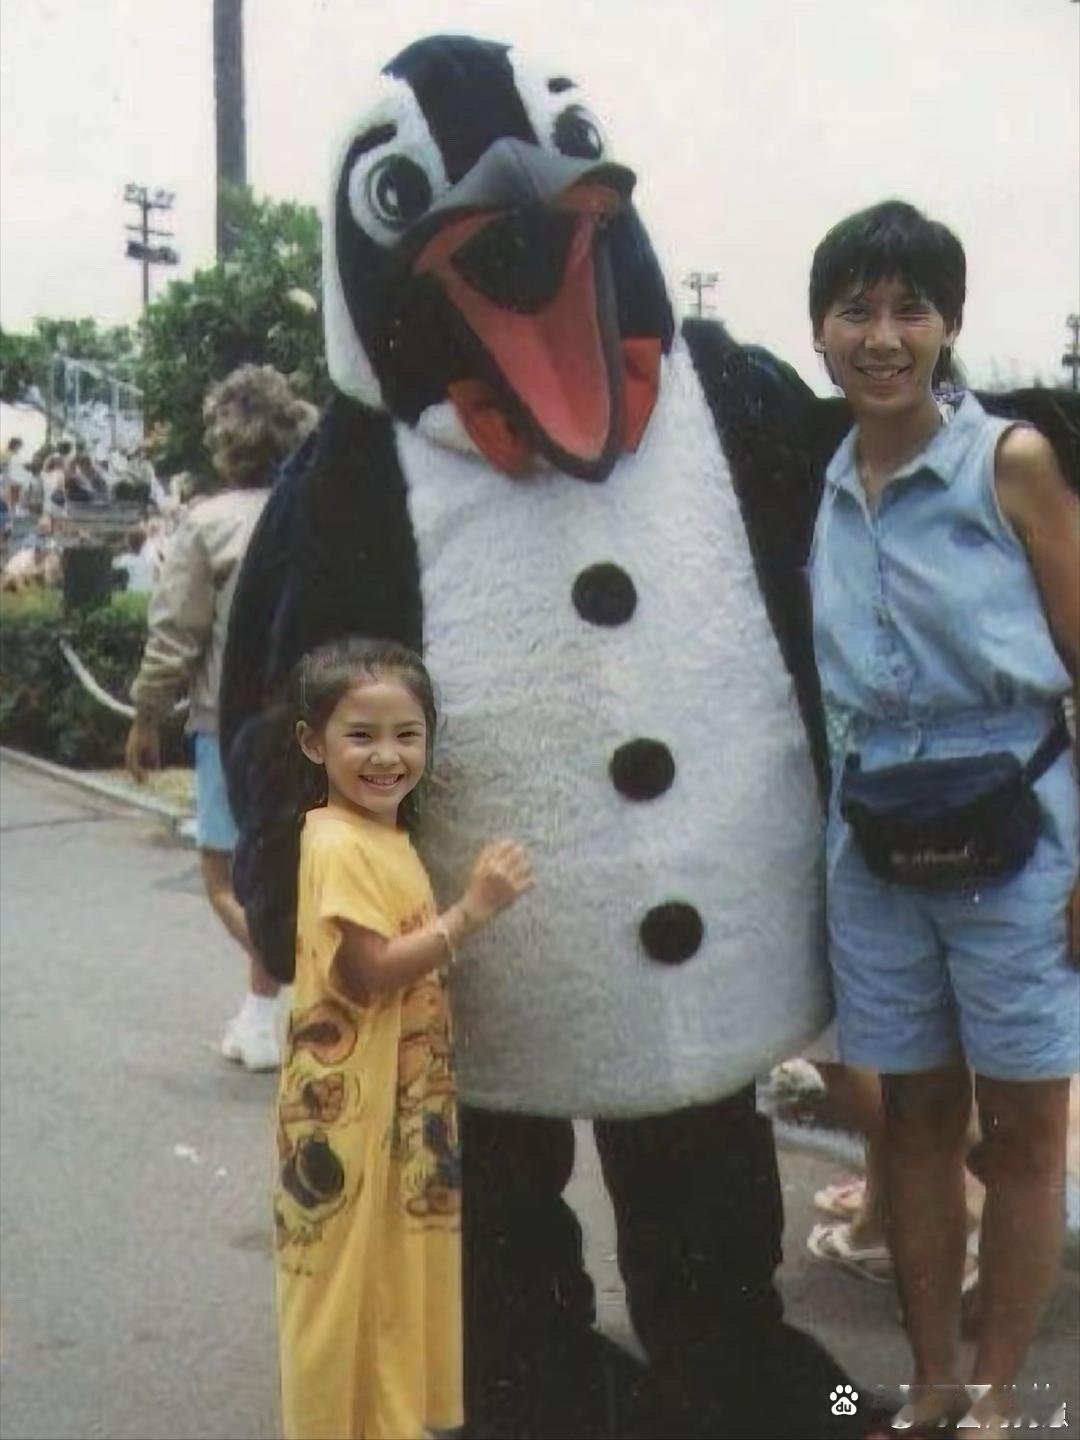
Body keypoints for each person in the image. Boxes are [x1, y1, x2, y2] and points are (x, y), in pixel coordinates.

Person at [808, 199, 1080, 1437]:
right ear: (819, 331)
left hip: (1016, 825)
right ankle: (926, 1385)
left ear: (949, 325)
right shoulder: (821, 481)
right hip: (875, 835)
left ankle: (998, 1395)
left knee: (1023, 1127)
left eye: (911, 309)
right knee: (913, 1118)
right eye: (856, 310)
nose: (883, 337)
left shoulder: (1008, 463)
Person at [264, 635, 532, 1440]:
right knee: (345, 1277)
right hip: (351, 1109)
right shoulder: (340, 842)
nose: (386, 756)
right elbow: (371, 970)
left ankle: (385, 1420)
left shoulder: (377, 835)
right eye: (361, 735)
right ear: (313, 743)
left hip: (391, 1099)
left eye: (406, 735)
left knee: (385, 1268)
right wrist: (472, 911)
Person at [125, 365, 317, 1071]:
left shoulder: (207, 522)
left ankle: (312, 986)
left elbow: (176, 633)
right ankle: (260, 1017)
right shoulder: (314, 511)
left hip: (225, 721)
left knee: (225, 880)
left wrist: (145, 715)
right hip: (312, 716)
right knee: (286, 874)